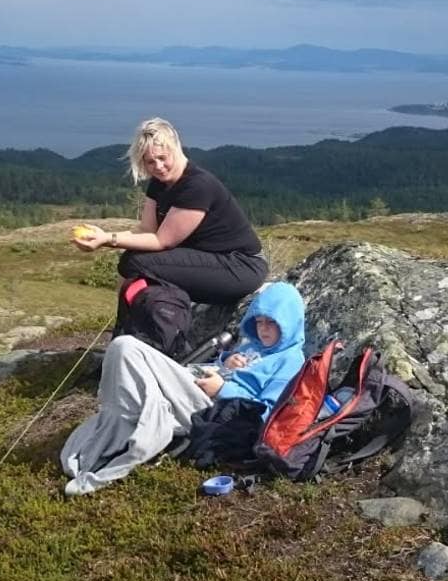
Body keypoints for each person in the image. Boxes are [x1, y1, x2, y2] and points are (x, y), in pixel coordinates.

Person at [59, 281, 305, 496]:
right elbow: (220, 368)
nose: (263, 329)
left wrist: (222, 389)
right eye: (259, 322)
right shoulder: (254, 348)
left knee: (126, 348)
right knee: (128, 361)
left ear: (289, 323)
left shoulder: (291, 361)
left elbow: (271, 414)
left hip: (216, 412)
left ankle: (133, 436)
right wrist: (224, 363)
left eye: (271, 323)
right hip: (202, 391)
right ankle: (128, 430)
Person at [73, 117, 267, 305]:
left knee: (135, 263)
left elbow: (162, 241)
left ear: (176, 148)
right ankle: (135, 326)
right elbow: (147, 230)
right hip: (216, 260)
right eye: (150, 161)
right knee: (134, 260)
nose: (158, 166)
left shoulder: (197, 186)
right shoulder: (159, 183)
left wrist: (108, 240)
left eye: (162, 158)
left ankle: (136, 329)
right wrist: (104, 235)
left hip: (241, 266)